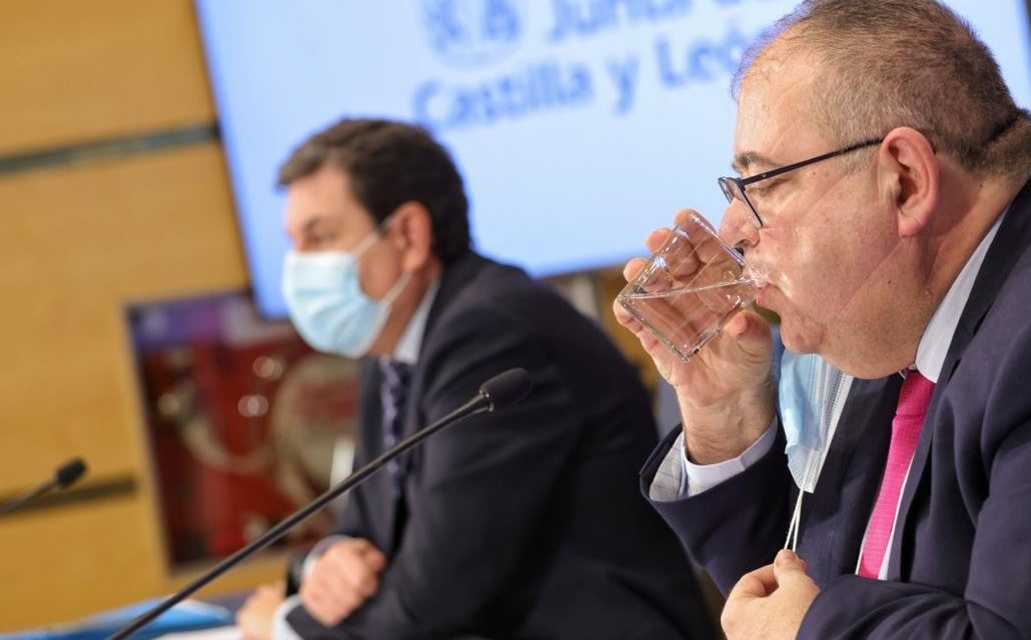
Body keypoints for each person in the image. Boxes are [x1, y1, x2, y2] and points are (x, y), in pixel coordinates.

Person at [615, 0, 1031, 638]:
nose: (733, 229)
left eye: (766, 183)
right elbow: (795, 594)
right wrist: (726, 417)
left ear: (906, 180)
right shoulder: (894, 316)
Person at [236, 118, 717, 639]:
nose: (299, 265)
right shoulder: (389, 347)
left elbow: (437, 597)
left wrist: (285, 631)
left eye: (321, 237)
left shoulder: (494, 335)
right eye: (295, 242)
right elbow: (368, 528)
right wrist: (328, 560)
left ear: (408, 235)